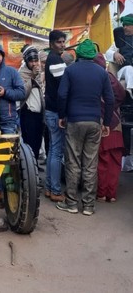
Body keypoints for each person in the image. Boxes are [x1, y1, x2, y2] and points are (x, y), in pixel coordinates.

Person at [56, 39, 114, 216]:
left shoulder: (71, 70)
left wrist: (61, 116)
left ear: (79, 54)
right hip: (94, 122)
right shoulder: (102, 72)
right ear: (93, 56)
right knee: (90, 164)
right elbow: (110, 99)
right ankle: (88, 206)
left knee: (73, 162)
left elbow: (62, 94)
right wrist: (107, 122)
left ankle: (72, 203)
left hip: (74, 120)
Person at [0, 44, 26, 203]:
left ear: (3, 56)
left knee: (9, 156)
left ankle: (14, 190)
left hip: (7, 120)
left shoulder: (11, 72)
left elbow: (22, 92)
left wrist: (5, 93)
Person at [93, 53, 126, 203]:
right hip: (116, 124)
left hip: (101, 124)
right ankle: (111, 195)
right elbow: (121, 93)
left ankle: (101, 194)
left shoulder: (92, 78)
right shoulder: (110, 77)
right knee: (115, 162)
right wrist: (114, 107)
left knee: (102, 162)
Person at [44, 29, 67, 202]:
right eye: (59, 42)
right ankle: (56, 190)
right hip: (55, 112)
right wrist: (63, 113)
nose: (62, 45)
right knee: (57, 152)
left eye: (63, 42)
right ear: (52, 43)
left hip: (51, 110)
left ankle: (49, 188)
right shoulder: (55, 60)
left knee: (53, 150)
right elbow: (63, 88)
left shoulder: (53, 58)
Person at [18, 45, 45, 161]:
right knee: (29, 143)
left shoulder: (39, 73)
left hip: (39, 113)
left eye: (36, 61)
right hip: (27, 112)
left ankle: (35, 167)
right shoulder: (21, 73)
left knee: (38, 142)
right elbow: (22, 93)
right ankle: (30, 169)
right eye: (31, 61)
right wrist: (32, 78)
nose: (34, 64)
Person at [109, 13, 133, 98]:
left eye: (127, 25)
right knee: (129, 69)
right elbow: (108, 53)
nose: (124, 27)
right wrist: (114, 54)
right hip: (124, 70)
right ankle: (129, 91)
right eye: (124, 25)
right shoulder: (120, 39)